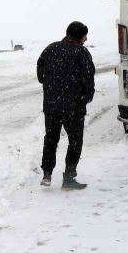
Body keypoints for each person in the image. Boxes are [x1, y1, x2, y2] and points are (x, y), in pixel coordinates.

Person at [37, 21, 95, 190]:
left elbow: (41, 75)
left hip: (52, 106)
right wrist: (85, 99)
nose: (86, 38)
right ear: (80, 36)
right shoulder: (81, 53)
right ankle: (69, 177)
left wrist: (52, 87)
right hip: (73, 108)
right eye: (85, 35)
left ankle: (47, 174)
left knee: (51, 139)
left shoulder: (50, 49)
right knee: (75, 142)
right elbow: (88, 80)